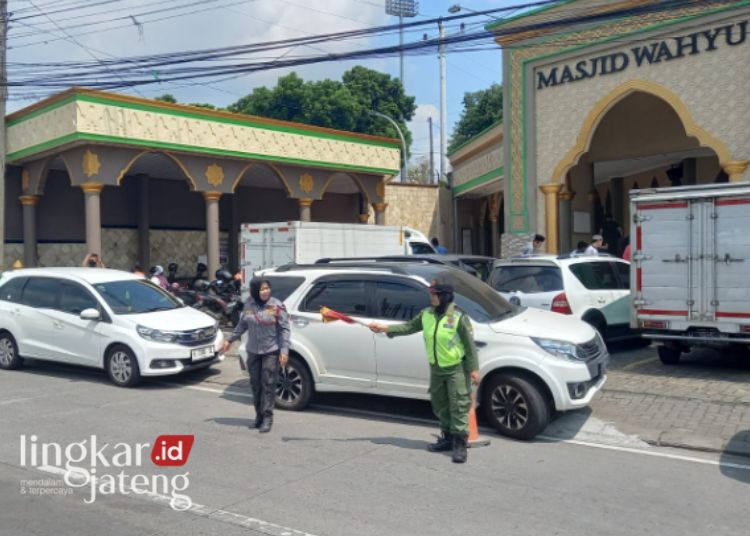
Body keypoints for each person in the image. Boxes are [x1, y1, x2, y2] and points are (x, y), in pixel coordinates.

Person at [369, 279, 479, 464]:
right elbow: (408, 327)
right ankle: (447, 438)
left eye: (434, 294)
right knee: (440, 403)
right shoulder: (426, 314)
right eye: (431, 294)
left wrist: (473, 369)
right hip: (436, 368)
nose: (431, 297)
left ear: (444, 296)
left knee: (458, 405)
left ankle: (460, 445)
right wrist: (386, 328)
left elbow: (469, 345)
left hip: (456, 369)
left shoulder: (458, 317)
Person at [222, 277, 290, 433]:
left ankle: (267, 418)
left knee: (268, 384)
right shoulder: (249, 305)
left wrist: (284, 351)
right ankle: (258, 416)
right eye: (261, 289)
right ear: (255, 291)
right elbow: (242, 324)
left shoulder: (276, 306)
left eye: (267, 288)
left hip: (270, 351)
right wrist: (230, 340)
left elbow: (284, 329)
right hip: (253, 351)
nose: (265, 291)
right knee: (255, 385)